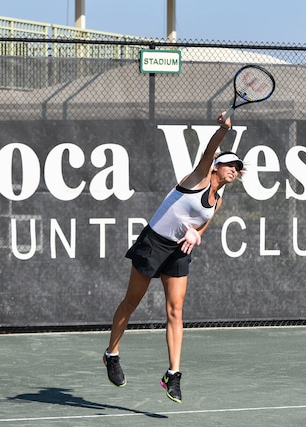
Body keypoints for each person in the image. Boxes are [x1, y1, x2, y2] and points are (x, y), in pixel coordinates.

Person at [102, 112, 244, 404]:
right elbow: (208, 151)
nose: (235, 169)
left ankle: (173, 375)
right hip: (154, 242)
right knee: (132, 302)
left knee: (175, 311)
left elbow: (202, 221)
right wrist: (223, 131)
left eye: (238, 167)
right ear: (216, 166)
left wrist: (197, 233)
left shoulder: (218, 199)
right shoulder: (198, 178)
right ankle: (111, 354)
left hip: (179, 250)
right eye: (230, 163)